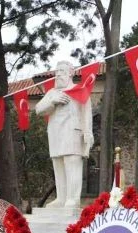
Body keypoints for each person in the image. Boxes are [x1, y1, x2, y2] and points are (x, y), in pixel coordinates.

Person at [34, 60, 94, 208]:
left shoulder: (80, 90)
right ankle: (61, 198)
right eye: (57, 71)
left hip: (73, 133)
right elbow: (38, 109)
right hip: (55, 134)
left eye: (62, 71)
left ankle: (72, 198)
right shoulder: (52, 93)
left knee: (72, 165)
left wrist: (88, 132)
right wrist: (52, 102)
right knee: (58, 165)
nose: (58, 75)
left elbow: (87, 113)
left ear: (70, 73)